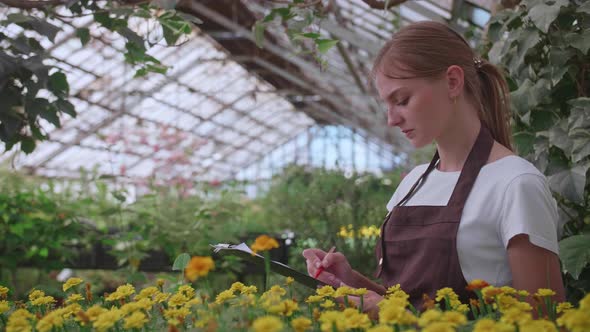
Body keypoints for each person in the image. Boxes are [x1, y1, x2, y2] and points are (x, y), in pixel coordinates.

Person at [302, 21, 565, 316]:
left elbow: (545, 319)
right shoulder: (412, 183)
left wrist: (400, 318)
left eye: (402, 100)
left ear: (453, 81)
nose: (391, 119)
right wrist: (349, 280)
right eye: (386, 104)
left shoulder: (515, 183)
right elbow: (410, 304)